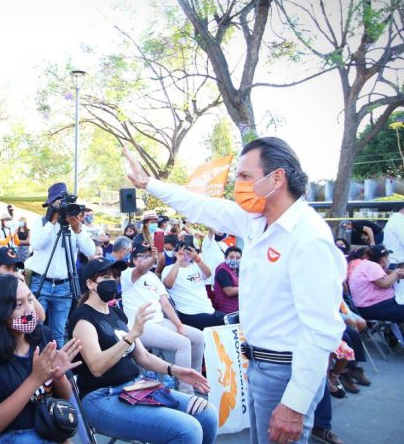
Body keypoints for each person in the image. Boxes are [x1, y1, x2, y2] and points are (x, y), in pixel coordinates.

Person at [125, 137, 346, 444]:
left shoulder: (308, 238)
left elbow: (322, 330)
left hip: (285, 371)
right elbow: (200, 205)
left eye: (245, 176)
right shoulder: (257, 221)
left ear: (277, 177)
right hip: (258, 364)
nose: (238, 185)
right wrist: (148, 183)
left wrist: (294, 405)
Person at [70, 257, 218, 444]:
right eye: (106, 276)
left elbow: (143, 357)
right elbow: (97, 366)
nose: (113, 281)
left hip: (135, 388)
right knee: (188, 429)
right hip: (103, 398)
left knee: (207, 414)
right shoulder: (83, 317)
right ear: (90, 284)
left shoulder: (115, 313)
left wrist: (177, 371)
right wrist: (131, 335)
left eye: (115, 276)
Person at [0, 274, 81, 443]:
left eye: (30, 300)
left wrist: (59, 376)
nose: (30, 310)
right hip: (10, 436)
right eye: (19, 304)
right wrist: (35, 379)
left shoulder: (42, 336)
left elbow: (64, 397)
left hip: (48, 428)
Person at [121, 242, 205, 394]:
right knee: (183, 344)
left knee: (198, 336)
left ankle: (198, 381)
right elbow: (141, 269)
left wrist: (179, 325)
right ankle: (186, 390)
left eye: (149, 255)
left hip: (160, 321)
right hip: (140, 325)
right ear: (133, 259)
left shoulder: (153, 276)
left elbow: (166, 304)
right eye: (142, 256)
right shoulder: (128, 273)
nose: (146, 259)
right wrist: (153, 259)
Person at [25, 182, 96, 347]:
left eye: (63, 202)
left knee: (58, 332)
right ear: (49, 204)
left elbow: (90, 250)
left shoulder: (76, 224)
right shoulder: (41, 222)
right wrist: (52, 221)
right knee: (35, 328)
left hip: (64, 286)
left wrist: (77, 228)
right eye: (57, 202)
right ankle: (34, 363)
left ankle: (56, 368)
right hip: (40, 282)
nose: (61, 206)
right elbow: (36, 244)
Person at [162, 243, 226, 330]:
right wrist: (178, 261)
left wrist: (196, 258)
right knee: (223, 320)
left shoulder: (196, 266)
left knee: (230, 319)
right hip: (188, 313)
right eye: (182, 250)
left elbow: (208, 274)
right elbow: (168, 285)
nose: (185, 253)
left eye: (188, 250)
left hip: (208, 310)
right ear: (175, 252)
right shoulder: (169, 268)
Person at [0, 246, 46, 321]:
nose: (12, 273)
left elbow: (41, 317)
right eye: (7, 268)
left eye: (14, 269)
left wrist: (24, 285)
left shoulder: (15, 289)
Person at [347, 245, 404, 322]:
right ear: (382, 259)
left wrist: (395, 274)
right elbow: (384, 284)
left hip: (375, 306)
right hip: (375, 308)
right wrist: (396, 272)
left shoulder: (367, 265)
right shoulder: (371, 266)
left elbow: (385, 277)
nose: (388, 260)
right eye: (387, 257)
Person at [213, 246, 242, 314]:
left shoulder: (237, 269)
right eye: (231, 257)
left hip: (237, 308)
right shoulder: (223, 270)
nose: (234, 260)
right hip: (227, 311)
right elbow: (229, 291)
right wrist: (247, 287)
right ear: (225, 258)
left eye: (238, 258)